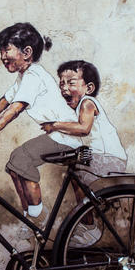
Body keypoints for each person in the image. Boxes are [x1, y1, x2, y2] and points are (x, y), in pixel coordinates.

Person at [0, 23, 80, 220]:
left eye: (7, 49)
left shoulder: (34, 75)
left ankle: (37, 216)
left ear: (26, 52)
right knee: (14, 167)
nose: (2, 56)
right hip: (57, 135)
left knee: (21, 159)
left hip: (66, 136)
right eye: (1, 51)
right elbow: (4, 102)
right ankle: (28, 214)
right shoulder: (23, 77)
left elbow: (17, 107)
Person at [41, 60, 127, 244]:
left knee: (79, 176)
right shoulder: (78, 107)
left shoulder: (87, 103)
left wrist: (54, 126)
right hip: (101, 156)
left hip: (110, 157)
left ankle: (89, 227)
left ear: (88, 87)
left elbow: (83, 128)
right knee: (77, 176)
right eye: (61, 84)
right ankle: (87, 220)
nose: (64, 88)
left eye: (71, 82)